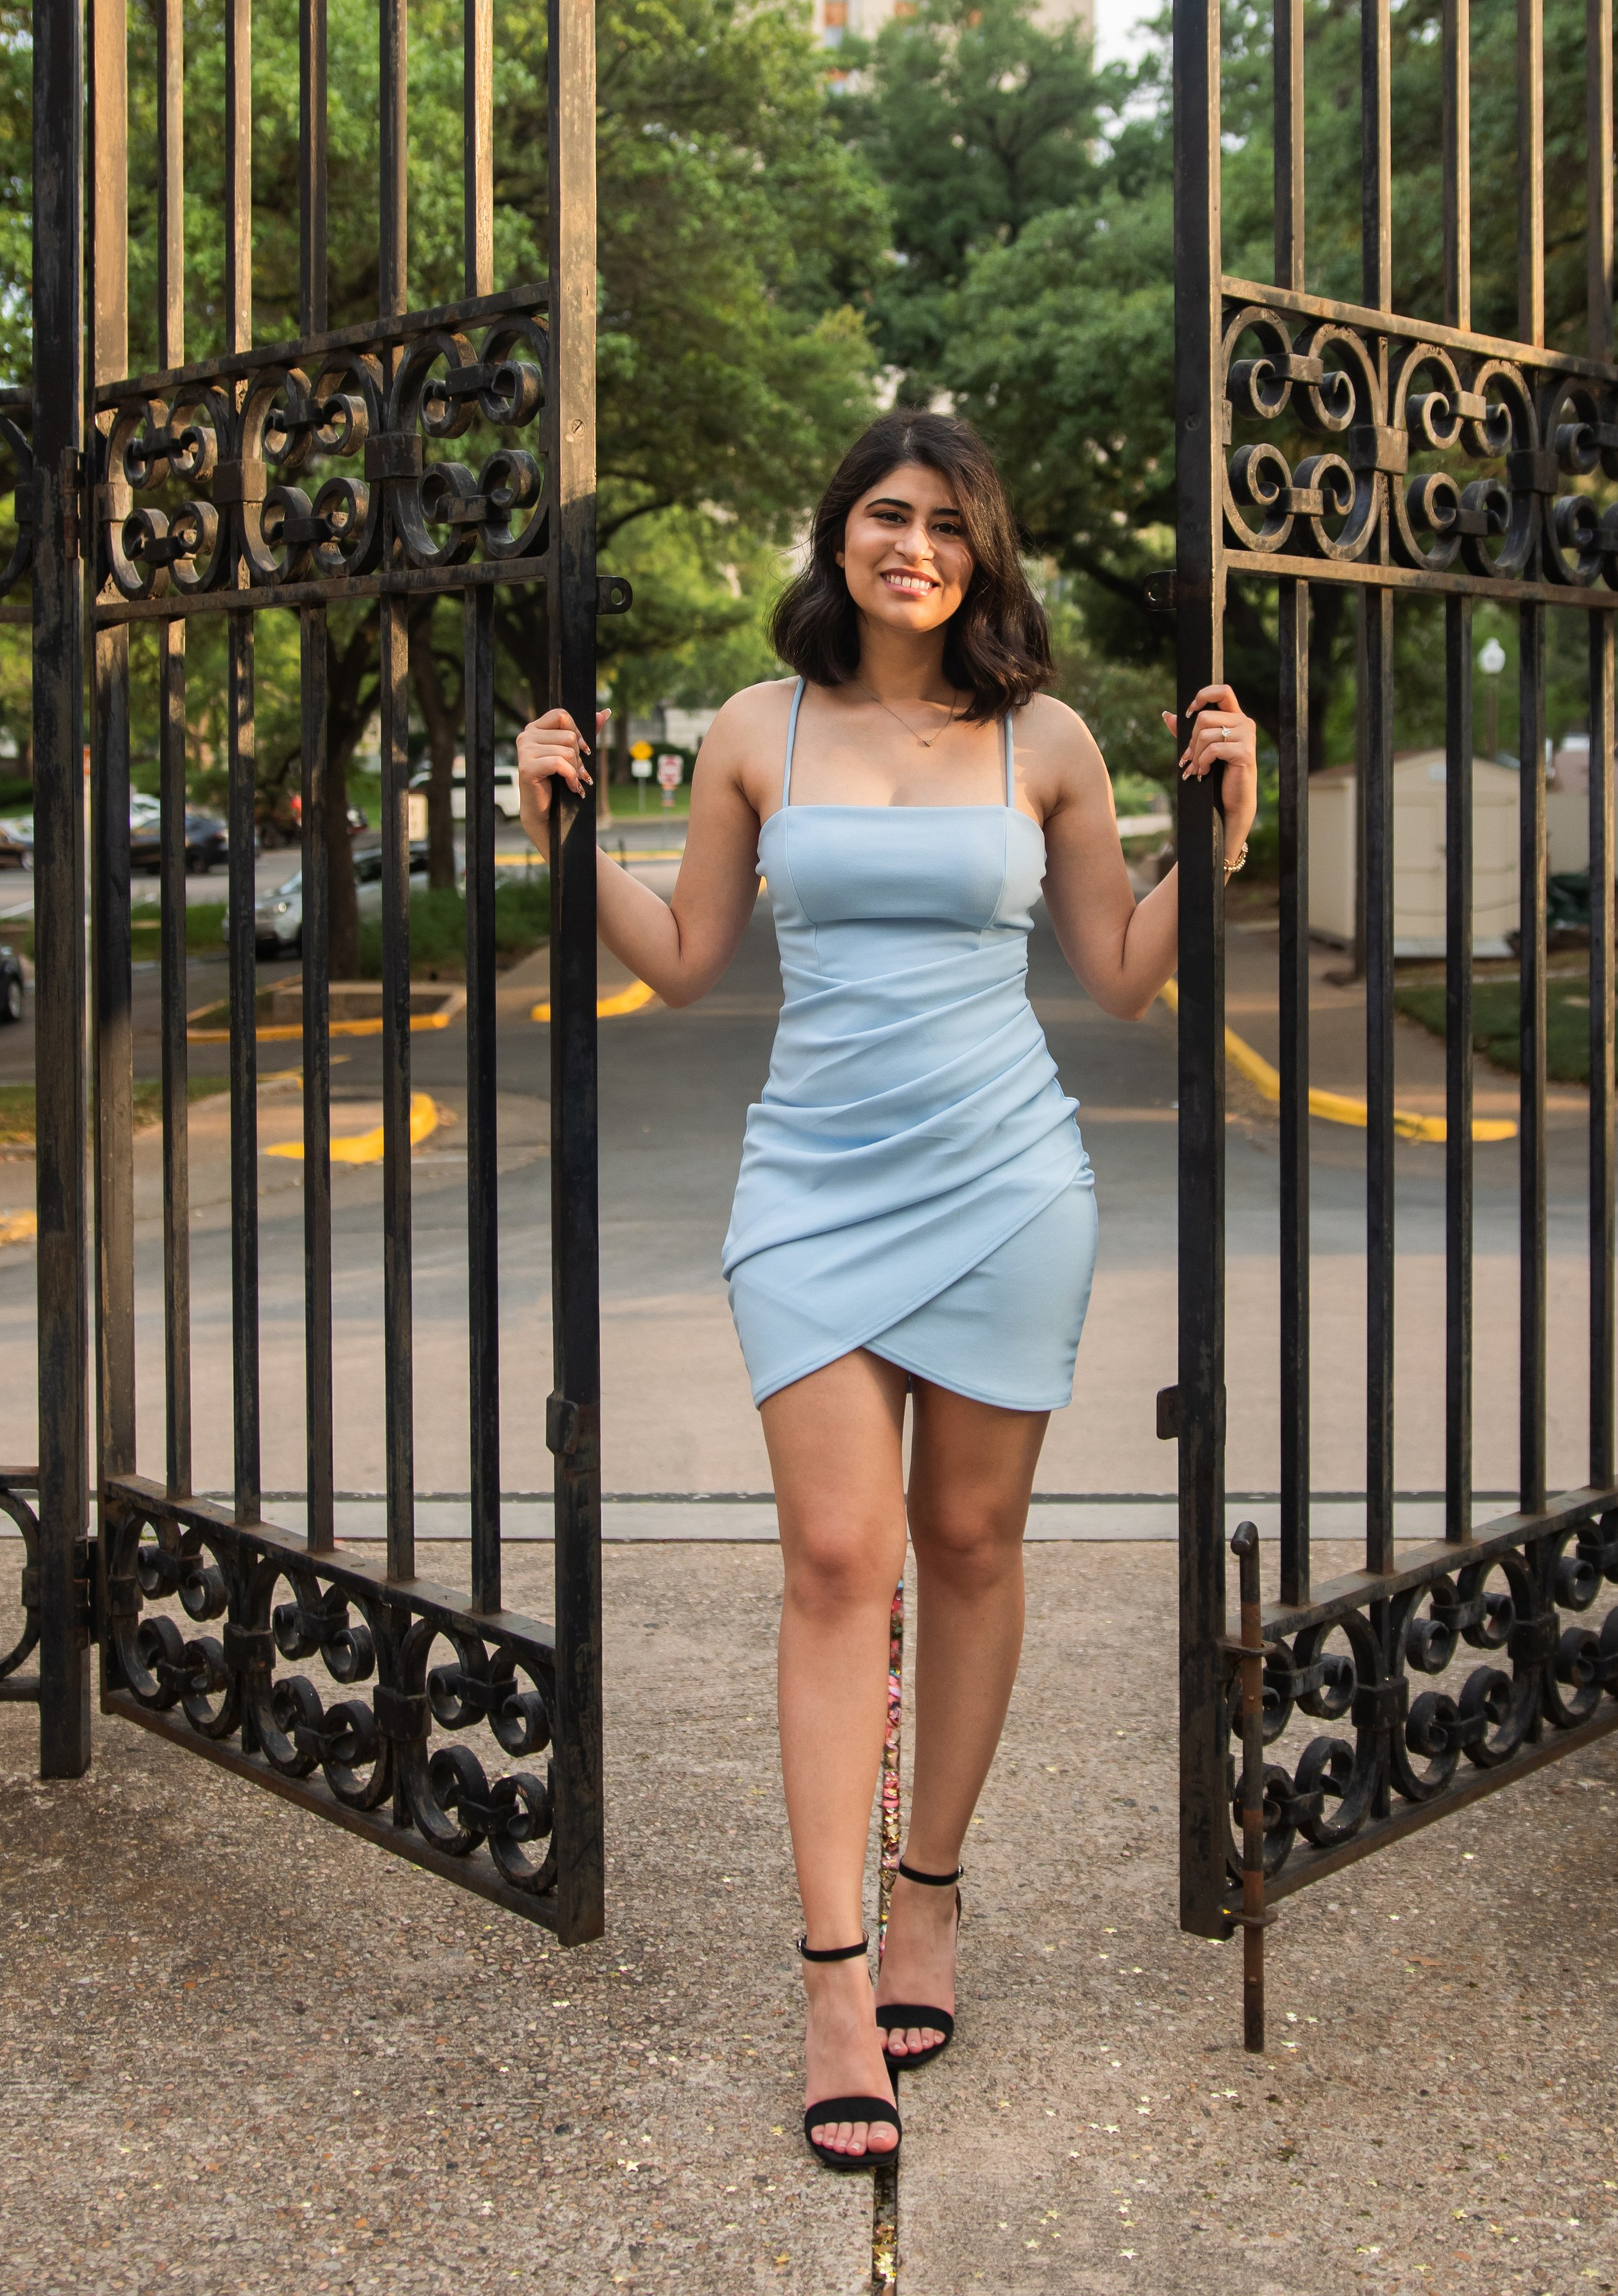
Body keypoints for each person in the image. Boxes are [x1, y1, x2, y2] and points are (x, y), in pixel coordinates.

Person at [516, 411, 1258, 2174]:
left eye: (939, 521)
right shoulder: (752, 728)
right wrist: (563, 835)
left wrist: (1223, 821)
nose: (907, 542)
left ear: (977, 550)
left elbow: (1125, 977)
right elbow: (691, 966)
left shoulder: (1048, 737)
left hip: (1006, 1180)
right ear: (833, 534)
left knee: (972, 1544)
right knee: (837, 1560)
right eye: (879, 513)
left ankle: (928, 1889)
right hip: (812, 1186)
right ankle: (833, 1972)